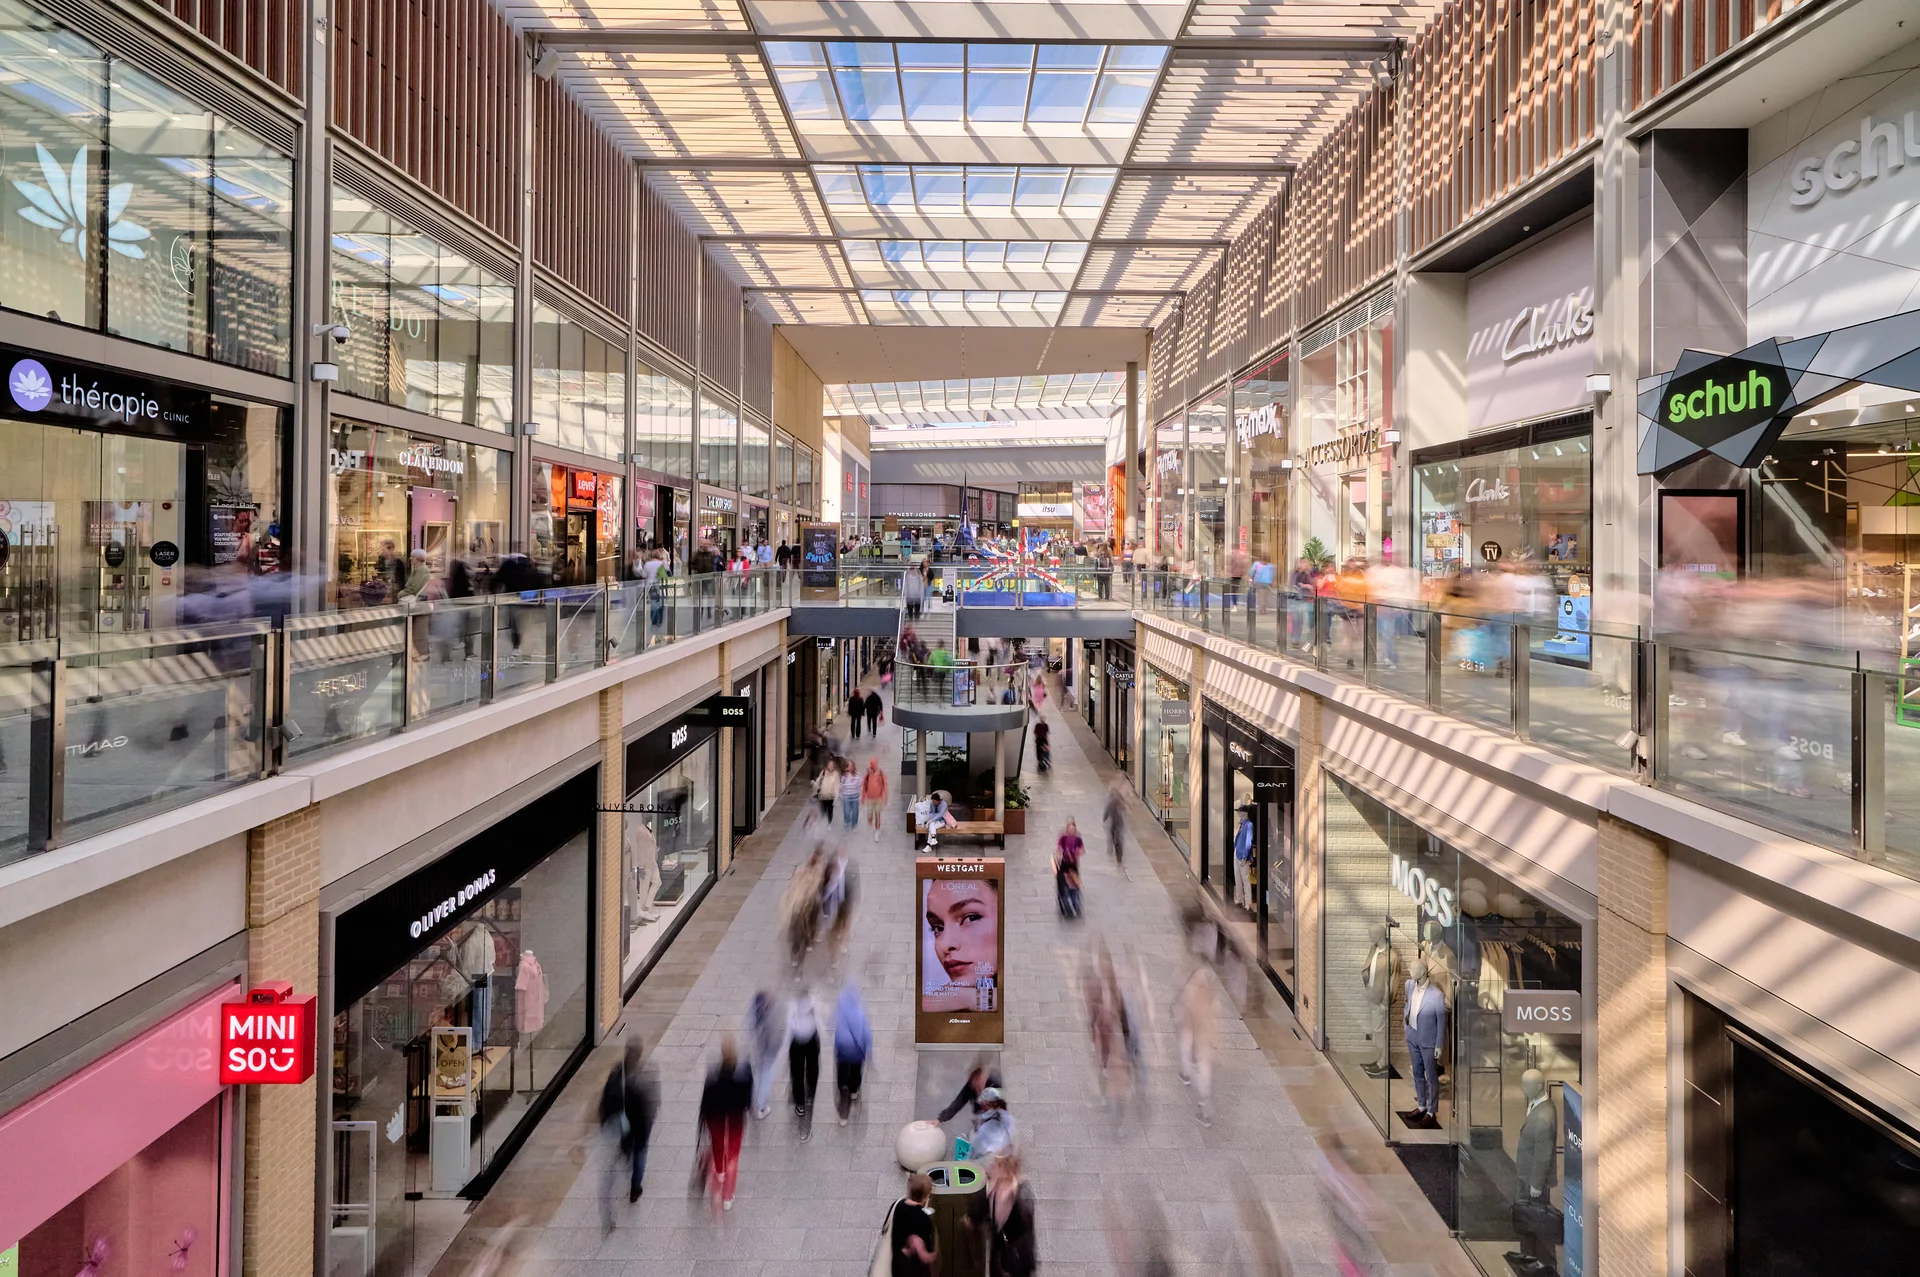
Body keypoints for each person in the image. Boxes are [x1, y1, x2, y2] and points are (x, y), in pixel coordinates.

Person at [598, 1037, 658, 1209]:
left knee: (628, 1145)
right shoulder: (642, 1078)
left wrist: (604, 1118)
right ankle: (635, 1186)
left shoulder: (618, 1071)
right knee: (640, 1151)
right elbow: (649, 1106)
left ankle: (626, 1154)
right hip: (640, 1126)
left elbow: (606, 1096)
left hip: (624, 1123)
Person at [697, 1034, 752, 1211]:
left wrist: (702, 1120)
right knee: (733, 1155)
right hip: (735, 1118)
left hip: (716, 1118)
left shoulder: (713, 1072)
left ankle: (719, 1172)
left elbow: (706, 1100)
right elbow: (748, 1099)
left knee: (718, 1145)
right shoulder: (744, 1071)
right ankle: (728, 1196)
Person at [969, 1149, 1037, 1277]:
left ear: (1005, 1170)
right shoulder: (994, 1190)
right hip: (999, 1256)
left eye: (995, 1165)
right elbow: (976, 1214)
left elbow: (1026, 1227)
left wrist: (1012, 1197)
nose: (990, 1167)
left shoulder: (1022, 1194)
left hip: (1017, 1259)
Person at [1175, 965, 1218, 1127]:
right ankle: (1203, 1102)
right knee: (1203, 1066)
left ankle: (1204, 1108)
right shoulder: (1207, 990)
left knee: (1193, 1058)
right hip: (1204, 1033)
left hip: (1195, 1031)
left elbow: (1189, 1011)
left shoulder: (1194, 986)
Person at [834, 981, 872, 1125]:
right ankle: (854, 1090)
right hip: (857, 1051)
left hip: (843, 1053)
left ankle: (843, 1111)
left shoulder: (840, 1014)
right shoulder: (859, 1014)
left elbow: (835, 1031)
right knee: (856, 1071)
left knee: (843, 1075)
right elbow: (867, 1034)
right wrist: (870, 1052)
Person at [889, 1172, 938, 1277]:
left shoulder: (898, 1205)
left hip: (897, 1266)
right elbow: (924, 1256)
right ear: (925, 1197)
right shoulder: (923, 1219)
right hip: (914, 1271)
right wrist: (936, 1256)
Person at [788, 989, 821, 1140]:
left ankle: (800, 1103)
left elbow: (788, 1026)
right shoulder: (813, 1001)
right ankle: (812, 1087)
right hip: (812, 1040)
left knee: (797, 1072)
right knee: (813, 1066)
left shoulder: (792, 1004)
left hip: (796, 1042)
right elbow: (819, 1021)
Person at [969, 1088, 1016, 1161]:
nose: (980, 1103)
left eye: (982, 1102)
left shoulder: (984, 1128)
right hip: (1006, 1155)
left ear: (986, 1103)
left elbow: (977, 1151)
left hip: (991, 1160)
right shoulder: (1006, 1116)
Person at [1053, 818, 1083, 918]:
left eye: (1073, 830)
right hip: (1064, 865)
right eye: (1070, 830)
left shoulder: (1077, 839)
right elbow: (1058, 848)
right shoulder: (1063, 838)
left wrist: (1077, 852)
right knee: (1064, 887)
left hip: (1073, 866)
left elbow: (1082, 849)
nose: (1071, 832)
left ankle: (1076, 905)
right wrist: (1059, 855)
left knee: (1074, 887)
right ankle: (1066, 906)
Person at [1233, 805, 1256, 911]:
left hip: (1243, 856)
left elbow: (1248, 842)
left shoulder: (1249, 825)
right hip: (1237, 853)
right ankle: (1239, 899)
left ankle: (1248, 903)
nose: (1238, 813)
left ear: (1245, 813)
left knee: (1245, 879)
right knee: (1237, 877)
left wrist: (1244, 857)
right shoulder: (1242, 824)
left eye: (1239, 811)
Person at [862, 757, 889, 841]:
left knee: (877, 815)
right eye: (871, 763)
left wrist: (885, 797)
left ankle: (877, 831)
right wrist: (863, 797)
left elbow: (885, 785)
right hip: (870, 798)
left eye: (873, 763)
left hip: (878, 798)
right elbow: (864, 785)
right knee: (869, 815)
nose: (872, 765)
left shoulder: (881, 773)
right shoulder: (867, 774)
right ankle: (870, 827)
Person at [1103, 775, 1128, 865]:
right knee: (1117, 836)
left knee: (1115, 836)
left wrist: (1104, 818)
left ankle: (1116, 851)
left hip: (1116, 822)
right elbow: (1123, 807)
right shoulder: (1116, 800)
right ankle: (1117, 852)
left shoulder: (1114, 801)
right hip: (1118, 822)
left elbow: (1107, 810)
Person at [813, 760, 840, 825]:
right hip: (823, 795)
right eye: (830, 765)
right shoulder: (823, 772)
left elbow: (837, 785)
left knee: (830, 810)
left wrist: (837, 795)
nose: (831, 766)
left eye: (832, 765)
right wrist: (815, 784)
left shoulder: (836, 774)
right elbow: (819, 780)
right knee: (823, 810)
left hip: (831, 796)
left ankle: (829, 823)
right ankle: (823, 822)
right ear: (827, 765)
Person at [838, 761, 863, 829]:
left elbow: (861, 786)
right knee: (846, 812)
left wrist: (861, 796)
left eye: (851, 765)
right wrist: (841, 795)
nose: (849, 767)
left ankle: (854, 825)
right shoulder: (843, 776)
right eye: (848, 765)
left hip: (855, 797)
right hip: (846, 797)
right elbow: (840, 786)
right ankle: (847, 824)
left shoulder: (858, 775)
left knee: (855, 813)